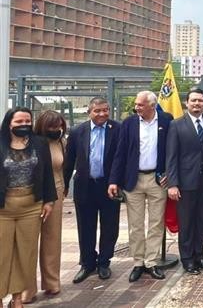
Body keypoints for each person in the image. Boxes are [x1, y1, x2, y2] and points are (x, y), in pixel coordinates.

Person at [108, 91, 172, 282]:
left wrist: (170, 173)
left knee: (155, 224)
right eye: (136, 104)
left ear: (152, 106)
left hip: (157, 180)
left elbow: (173, 150)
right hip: (133, 181)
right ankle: (138, 262)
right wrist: (113, 180)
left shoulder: (167, 121)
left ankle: (151, 262)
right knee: (135, 225)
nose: (136, 108)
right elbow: (120, 153)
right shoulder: (129, 123)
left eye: (140, 105)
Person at [0, 107, 57, 308]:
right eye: (19, 122)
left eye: (27, 121)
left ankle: (17, 298)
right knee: (3, 255)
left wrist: (49, 200)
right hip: (3, 208)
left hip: (31, 207)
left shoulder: (39, 144)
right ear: (9, 123)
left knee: (26, 255)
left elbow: (48, 174)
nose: (24, 125)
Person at [63, 98, 121, 285]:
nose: (102, 114)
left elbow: (121, 159)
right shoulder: (78, 131)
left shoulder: (117, 129)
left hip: (109, 186)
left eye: (105, 110)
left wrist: (116, 181)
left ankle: (104, 262)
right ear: (89, 112)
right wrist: (64, 185)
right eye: (97, 111)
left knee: (110, 226)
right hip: (85, 186)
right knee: (85, 226)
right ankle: (87, 263)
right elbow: (69, 160)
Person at [166, 88, 203, 275]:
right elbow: (171, 156)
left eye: (200, 101)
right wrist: (172, 183)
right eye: (193, 101)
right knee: (187, 223)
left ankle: (200, 256)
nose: (197, 104)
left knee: (202, 221)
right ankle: (187, 260)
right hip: (185, 183)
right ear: (186, 103)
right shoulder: (176, 125)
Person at [21, 110, 67, 303]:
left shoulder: (61, 143)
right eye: (52, 127)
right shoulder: (29, 143)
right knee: (28, 243)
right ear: (42, 126)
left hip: (55, 193)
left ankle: (52, 282)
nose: (56, 130)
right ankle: (26, 290)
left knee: (52, 240)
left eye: (59, 126)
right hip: (32, 195)